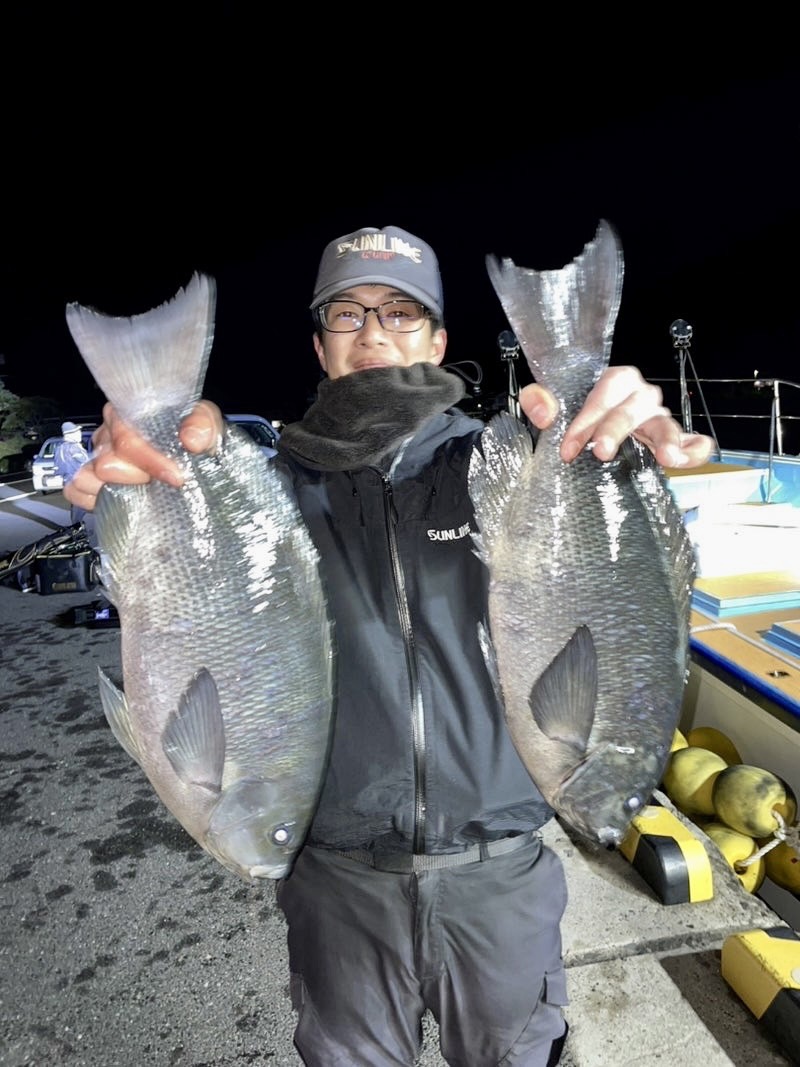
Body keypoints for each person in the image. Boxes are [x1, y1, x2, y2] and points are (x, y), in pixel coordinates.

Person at [65, 225, 713, 1066]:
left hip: (501, 876)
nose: (374, 332)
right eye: (348, 313)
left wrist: (618, 437)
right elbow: (179, 575)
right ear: (319, 344)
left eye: (402, 312)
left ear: (439, 339)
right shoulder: (272, 493)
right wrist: (139, 475)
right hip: (334, 881)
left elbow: (604, 570)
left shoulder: (499, 467)